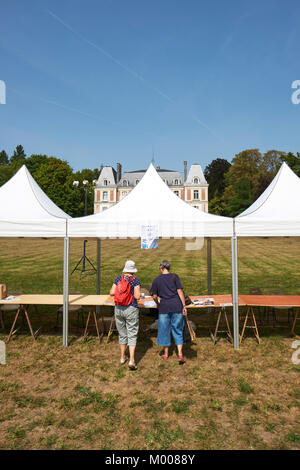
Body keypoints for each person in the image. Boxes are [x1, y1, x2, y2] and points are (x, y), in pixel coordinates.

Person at [151, 260, 187, 364]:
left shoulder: (157, 280)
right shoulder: (175, 277)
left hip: (164, 307)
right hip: (177, 306)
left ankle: (166, 354)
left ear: (161, 267)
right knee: (178, 329)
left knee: (164, 330)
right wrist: (184, 305)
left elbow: (154, 295)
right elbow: (180, 292)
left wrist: (157, 303)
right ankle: (180, 354)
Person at [110, 260, 141, 370]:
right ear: (133, 270)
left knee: (122, 333)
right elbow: (137, 296)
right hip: (131, 308)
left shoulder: (118, 279)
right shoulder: (135, 280)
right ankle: (132, 360)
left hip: (118, 308)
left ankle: (123, 356)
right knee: (132, 333)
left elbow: (112, 292)